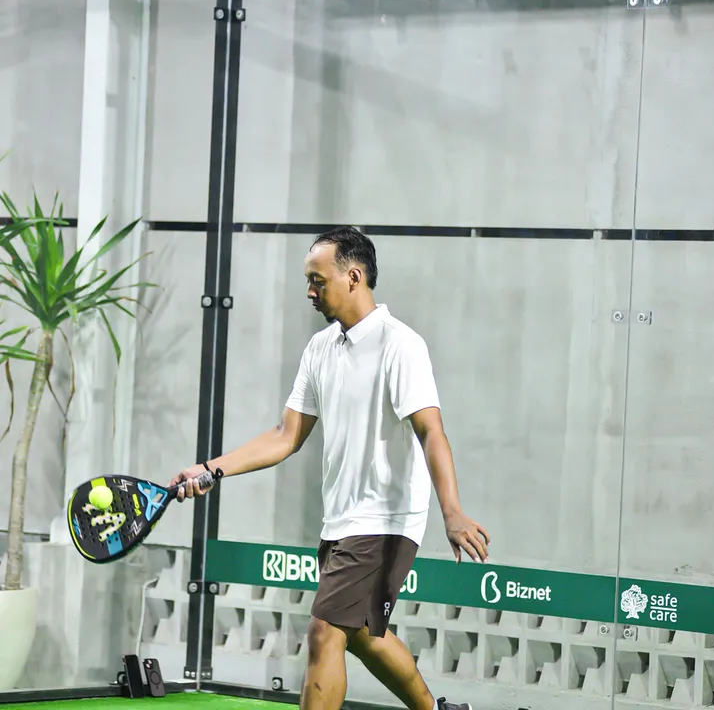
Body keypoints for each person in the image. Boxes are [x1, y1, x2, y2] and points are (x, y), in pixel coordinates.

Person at [170, 226, 490, 710]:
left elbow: (431, 431)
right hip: (340, 519)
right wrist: (211, 470)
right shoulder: (320, 348)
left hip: (385, 520)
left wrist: (453, 512)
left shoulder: (400, 345)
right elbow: (286, 435)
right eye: (308, 280)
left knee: (324, 631)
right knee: (360, 633)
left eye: (317, 281)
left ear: (354, 277)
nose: (309, 291)